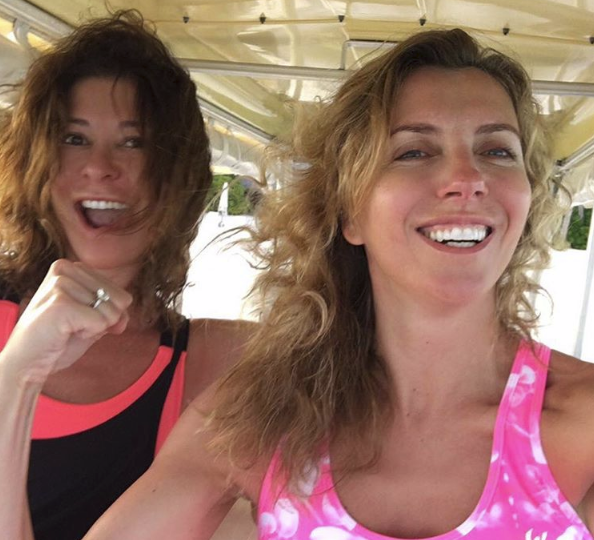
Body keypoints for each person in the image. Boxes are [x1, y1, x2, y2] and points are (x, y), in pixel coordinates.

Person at [5, 27, 594, 540]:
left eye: (497, 150)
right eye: (414, 152)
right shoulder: (260, 420)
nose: (467, 178)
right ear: (350, 212)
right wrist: (16, 379)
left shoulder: (583, 425)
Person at [0, 10, 251, 540]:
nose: (100, 167)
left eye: (133, 142)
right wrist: (16, 372)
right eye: (74, 138)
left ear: (175, 174)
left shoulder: (207, 363)